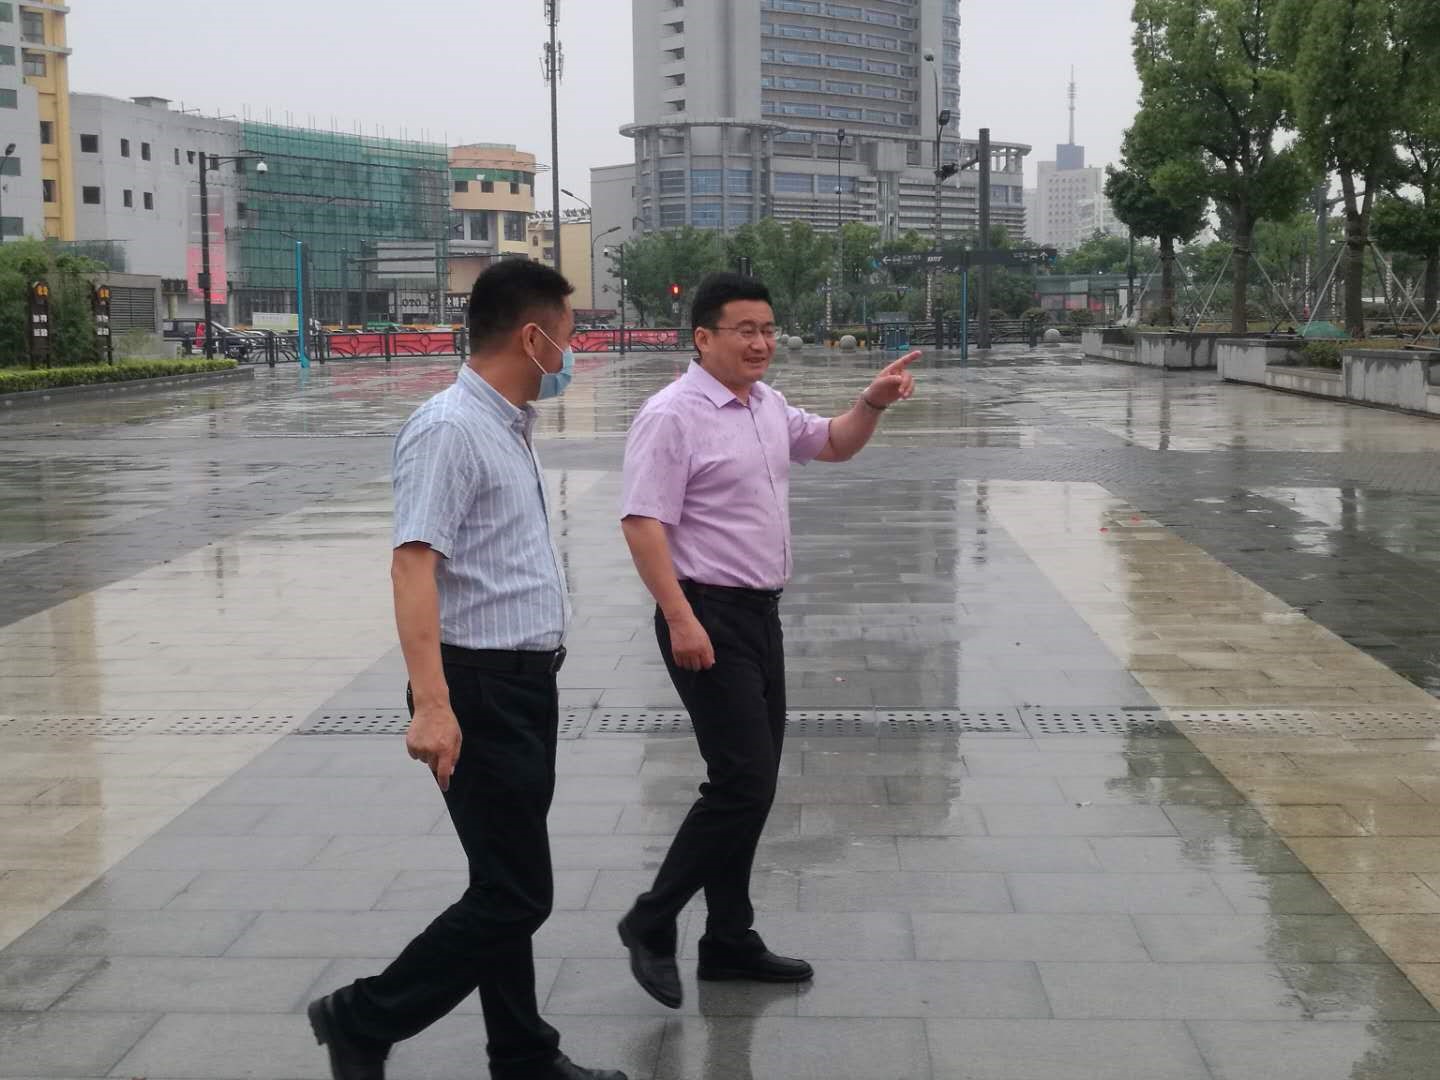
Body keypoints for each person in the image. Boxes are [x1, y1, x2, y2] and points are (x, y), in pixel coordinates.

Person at [307, 260, 626, 1080]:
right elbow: (412, 564)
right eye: (570, 334)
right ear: (533, 337)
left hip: (522, 683)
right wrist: (432, 703)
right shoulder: (450, 428)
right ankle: (362, 1017)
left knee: (501, 882)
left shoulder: (505, 424)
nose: (574, 351)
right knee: (518, 894)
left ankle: (522, 1054)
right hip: (479, 689)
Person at [615, 272, 919, 1008]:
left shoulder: (765, 404)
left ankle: (728, 939)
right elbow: (642, 522)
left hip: (758, 615)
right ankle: (652, 919)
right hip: (705, 614)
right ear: (704, 338)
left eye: (767, 329)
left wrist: (872, 402)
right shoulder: (672, 414)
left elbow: (834, 444)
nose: (760, 343)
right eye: (744, 330)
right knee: (743, 782)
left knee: (750, 783)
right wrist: (680, 617)